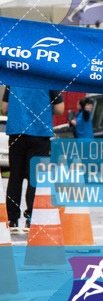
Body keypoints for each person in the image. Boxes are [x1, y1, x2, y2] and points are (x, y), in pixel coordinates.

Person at [1, 85, 64, 233]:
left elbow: (5, 108)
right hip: (39, 134)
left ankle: (12, 219)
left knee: (15, 176)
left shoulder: (13, 80)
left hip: (17, 132)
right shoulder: (46, 79)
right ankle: (31, 218)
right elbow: (60, 108)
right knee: (34, 178)